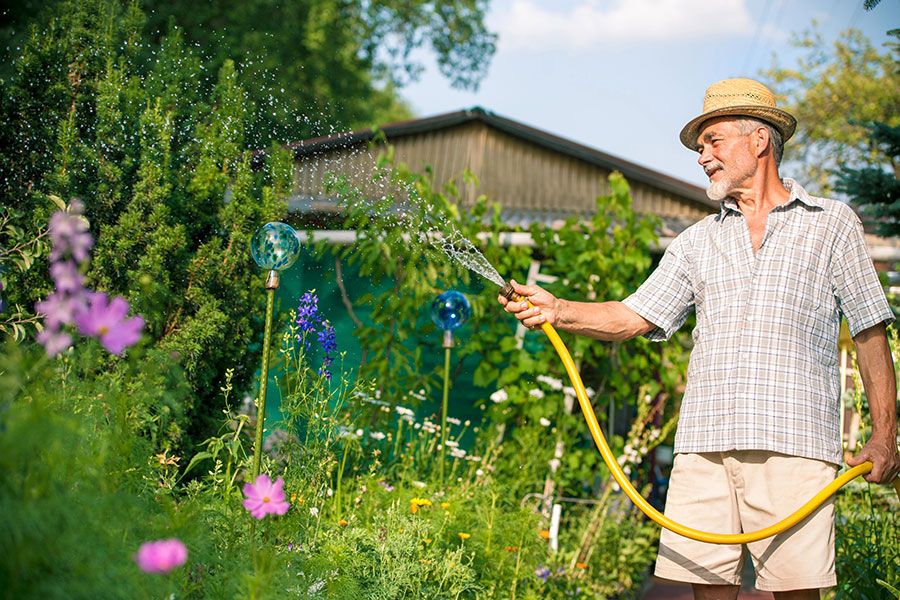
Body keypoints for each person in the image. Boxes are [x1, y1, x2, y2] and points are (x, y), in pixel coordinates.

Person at [498, 78, 900, 599]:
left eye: (712, 141)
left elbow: (870, 331)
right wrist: (558, 309)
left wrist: (884, 435)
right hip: (704, 447)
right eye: (700, 146)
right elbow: (632, 316)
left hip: (796, 445)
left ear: (758, 140)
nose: (701, 156)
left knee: (798, 594)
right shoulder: (697, 241)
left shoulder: (832, 225)